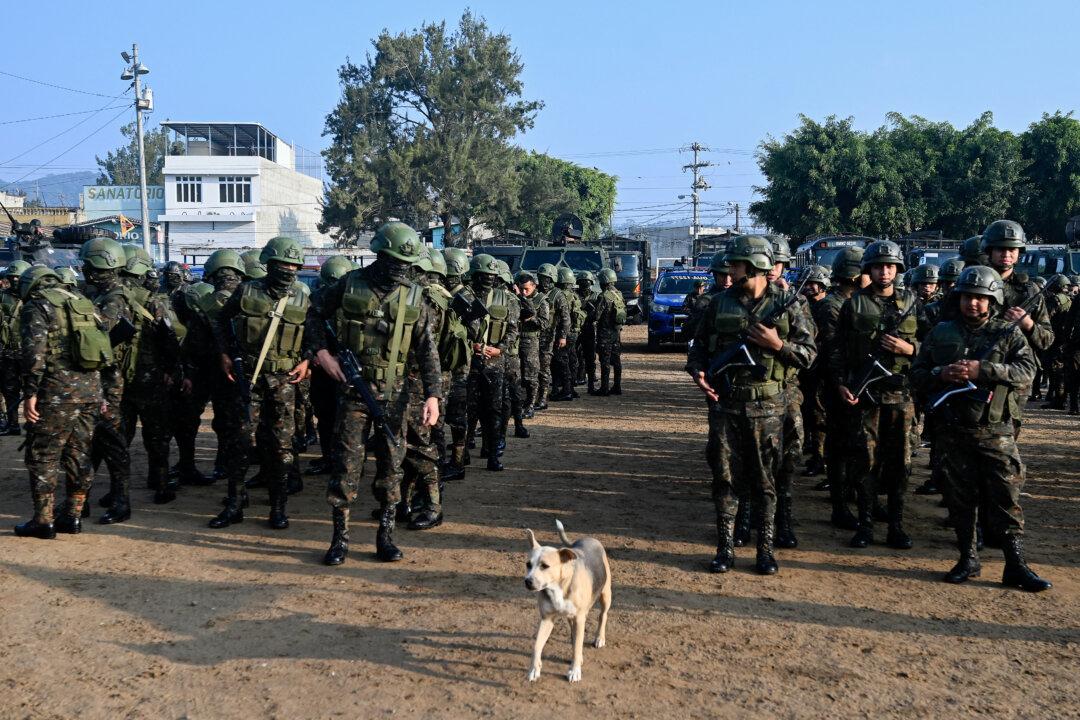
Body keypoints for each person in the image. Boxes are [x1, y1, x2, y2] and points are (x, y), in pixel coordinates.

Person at [305, 222, 442, 565]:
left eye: (405, 264)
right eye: (394, 261)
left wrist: (433, 396)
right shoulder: (349, 284)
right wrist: (321, 353)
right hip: (353, 394)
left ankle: (385, 536)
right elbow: (313, 314)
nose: (400, 269)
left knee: (391, 469)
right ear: (379, 254)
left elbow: (427, 350)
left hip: (396, 398)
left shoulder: (415, 295)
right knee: (346, 468)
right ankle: (340, 540)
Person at [911, 266, 1051, 592]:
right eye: (967, 297)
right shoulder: (941, 332)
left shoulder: (1008, 332)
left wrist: (982, 369)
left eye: (980, 298)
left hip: (995, 431)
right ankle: (967, 557)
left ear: (993, 299)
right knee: (960, 499)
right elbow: (916, 375)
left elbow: (1027, 371)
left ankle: (1014, 564)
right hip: (952, 430)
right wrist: (941, 373)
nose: (973, 303)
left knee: (1006, 497)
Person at [686, 235, 816, 575]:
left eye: (736, 264)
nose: (729, 270)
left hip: (769, 406)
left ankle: (765, 549)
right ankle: (725, 548)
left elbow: (809, 355)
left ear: (755, 265)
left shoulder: (791, 302)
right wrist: (698, 372)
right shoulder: (719, 303)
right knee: (725, 477)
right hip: (726, 405)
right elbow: (698, 347)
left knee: (765, 481)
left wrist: (778, 345)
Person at [210, 236, 311, 530]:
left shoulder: (303, 297)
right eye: (283, 263)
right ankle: (235, 502)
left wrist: (307, 359)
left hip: (284, 381)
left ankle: (278, 507)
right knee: (239, 442)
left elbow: (315, 333)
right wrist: (225, 354)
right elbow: (221, 322)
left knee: (281, 446)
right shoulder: (246, 290)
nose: (288, 269)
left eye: (294, 264)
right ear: (269, 263)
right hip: (248, 378)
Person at [830, 240, 919, 550]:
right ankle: (865, 524)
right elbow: (838, 350)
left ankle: (896, 525)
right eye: (879, 266)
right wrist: (841, 382)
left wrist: (910, 349)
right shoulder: (853, 304)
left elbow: (934, 348)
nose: (885, 271)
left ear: (898, 269)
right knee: (864, 462)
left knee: (900, 463)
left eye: (890, 266)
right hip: (866, 396)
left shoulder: (911, 302)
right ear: (868, 270)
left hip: (901, 396)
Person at [14, 266, 112, 538]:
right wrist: (101, 392)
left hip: (56, 393)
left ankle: (43, 521)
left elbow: (34, 354)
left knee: (43, 455)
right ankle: (73, 516)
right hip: (90, 390)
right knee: (79, 453)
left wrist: (30, 393)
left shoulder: (38, 306)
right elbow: (104, 348)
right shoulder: (83, 304)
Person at [980, 220, 1054, 436]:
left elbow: (1047, 340)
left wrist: (1028, 324)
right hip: (978, 367)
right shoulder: (972, 284)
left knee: (1006, 436)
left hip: (1014, 375)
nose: (1006, 254)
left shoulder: (1030, 292)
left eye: (1012, 249)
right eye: (1001, 249)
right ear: (989, 250)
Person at [465, 254, 518, 468]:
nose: (488, 278)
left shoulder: (507, 299)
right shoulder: (464, 297)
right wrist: (473, 346)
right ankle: (464, 452)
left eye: (492, 275)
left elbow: (513, 330)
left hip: (496, 365)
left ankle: (493, 453)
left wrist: (499, 350)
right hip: (470, 362)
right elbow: (455, 331)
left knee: (494, 409)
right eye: (484, 275)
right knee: (470, 408)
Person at [307, 256, 354, 475]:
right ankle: (333, 460)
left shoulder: (353, 302)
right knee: (329, 418)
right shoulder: (319, 301)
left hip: (345, 367)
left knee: (341, 419)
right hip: (325, 367)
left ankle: (342, 461)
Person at [800, 265, 831, 479]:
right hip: (807, 368)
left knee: (821, 416)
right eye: (807, 284)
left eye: (814, 284)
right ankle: (816, 454)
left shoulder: (828, 307)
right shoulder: (803, 307)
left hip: (825, 369)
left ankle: (823, 460)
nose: (810, 287)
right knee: (810, 413)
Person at [0, 260, 31, 435]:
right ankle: (13, 425)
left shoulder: (35, 299)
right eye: (12, 277)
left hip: (28, 353)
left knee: (31, 390)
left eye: (18, 277)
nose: (15, 280)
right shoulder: (3, 297)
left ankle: (31, 424)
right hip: (10, 353)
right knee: (10, 390)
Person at [516, 270, 548, 417]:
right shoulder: (515, 298)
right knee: (517, 376)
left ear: (534, 286)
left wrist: (531, 319)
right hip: (515, 341)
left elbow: (545, 323)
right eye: (521, 288)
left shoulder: (541, 301)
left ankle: (530, 406)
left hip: (531, 342)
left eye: (526, 289)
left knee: (531, 376)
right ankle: (518, 405)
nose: (523, 292)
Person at [535, 263, 567, 410]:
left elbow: (565, 318)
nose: (543, 281)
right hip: (533, 335)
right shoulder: (534, 293)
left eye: (546, 278)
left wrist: (562, 336)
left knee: (544, 368)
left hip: (549, 337)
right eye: (541, 278)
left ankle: (542, 398)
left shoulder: (557, 295)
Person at [593, 268, 625, 396]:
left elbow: (596, 316)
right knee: (616, 361)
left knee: (605, 361)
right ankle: (617, 386)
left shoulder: (603, 296)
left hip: (605, 333)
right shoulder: (619, 294)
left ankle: (604, 388)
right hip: (616, 333)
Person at [551, 266, 582, 401]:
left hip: (565, 332)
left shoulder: (561, 295)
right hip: (574, 332)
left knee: (561, 361)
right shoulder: (574, 295)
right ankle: (570, 387)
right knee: (571, 359)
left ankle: (566, 390)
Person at [575, 271, 600, 393]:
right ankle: (573, 381)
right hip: (575, 329)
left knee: (590, 358)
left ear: (591, 283)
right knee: (573, 356)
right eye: (582, 282)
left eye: (587, 282)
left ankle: (591, 384)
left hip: (589, 329)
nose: (585, 284)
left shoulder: (596, 296)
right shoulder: (574, 296)